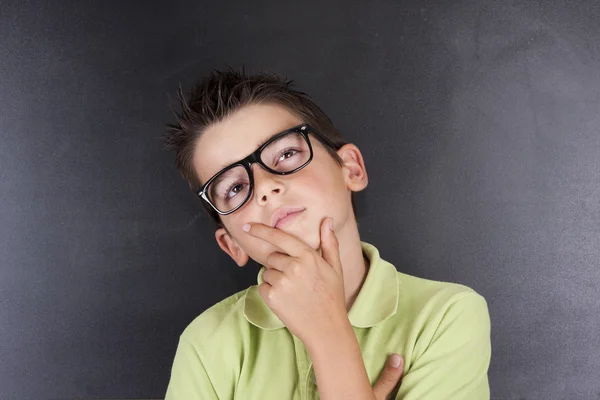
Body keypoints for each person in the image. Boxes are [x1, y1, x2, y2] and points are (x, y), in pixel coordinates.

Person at [162, 67, 491, 400]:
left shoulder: (446, 317)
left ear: (350, 168)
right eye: (234, 187)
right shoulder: (207, 343)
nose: (265, 187)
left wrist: (328, 336)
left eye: (287, 154)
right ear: (231, 244)